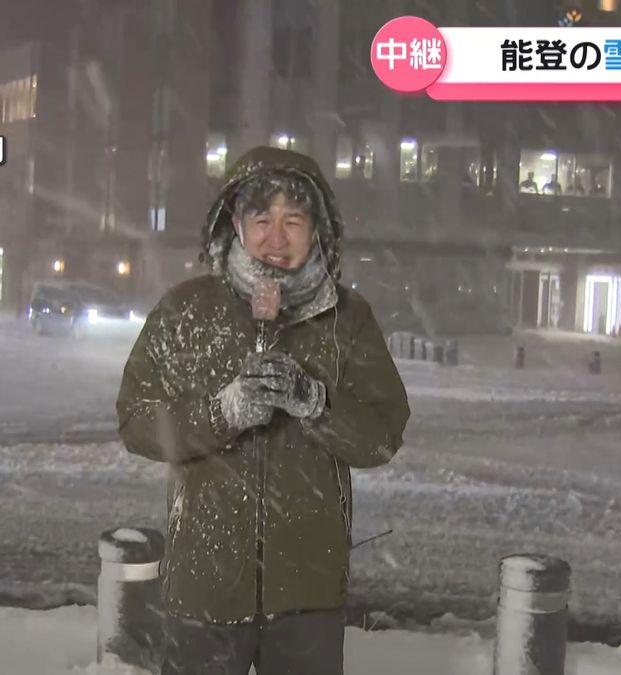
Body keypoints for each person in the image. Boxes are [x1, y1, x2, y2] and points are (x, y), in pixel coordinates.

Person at [116, 146, 411, 675]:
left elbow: (383, 436)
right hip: (203, 586)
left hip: (307, 591)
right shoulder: (187, 310)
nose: (277, 239)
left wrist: (316, 405)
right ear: (235, 222)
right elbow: (136, 420)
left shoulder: (347, 318)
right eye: (262, 219)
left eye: (293, 221)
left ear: (316, 227)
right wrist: (219, 414)